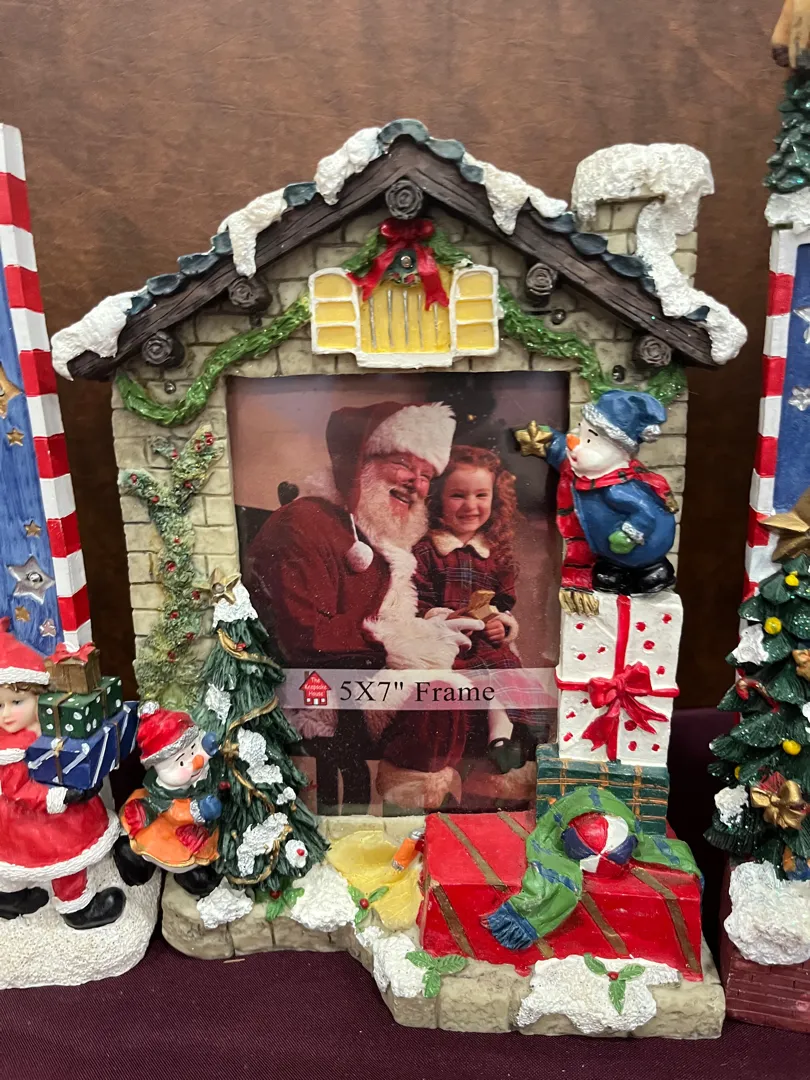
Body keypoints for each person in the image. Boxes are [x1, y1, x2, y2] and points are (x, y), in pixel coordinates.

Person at [245, 401, 480, 814]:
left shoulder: (376, 535)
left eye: (427, 475)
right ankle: (407, 815)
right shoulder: (303, 523)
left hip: (364, 677)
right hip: (319, 692)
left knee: (464, 684)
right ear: (360, 461)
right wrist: (403, 643)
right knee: (439, 697)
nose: (416, 484)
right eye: (404, 464)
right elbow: (306, 635)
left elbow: (389, 614)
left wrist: (430, 627)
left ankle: (420, 810)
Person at [381, 446, 539, 801]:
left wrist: (501, 625)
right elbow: (418, 602)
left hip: (485, 641)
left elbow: (503, 603)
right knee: (456, 691)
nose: (471, 506)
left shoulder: (495, 554)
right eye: (458, 495)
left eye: (481, 495)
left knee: (506, 671)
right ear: (438, 498)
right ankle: (447, 766)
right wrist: (444, 618)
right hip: (447, 642)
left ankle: (501, 739)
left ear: (495, 499)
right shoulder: (427, 550)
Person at [0, 621, 124, 928]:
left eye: (17, 702)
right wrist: (62, 797)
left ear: (39, 697)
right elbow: (19, 790)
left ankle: (10, 897)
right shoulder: (9, 749)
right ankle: (76, 906)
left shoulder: (48, 724)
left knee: (21, 857)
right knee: (63, 854)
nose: (6, 714)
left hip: (39, 810)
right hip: (30, 816)